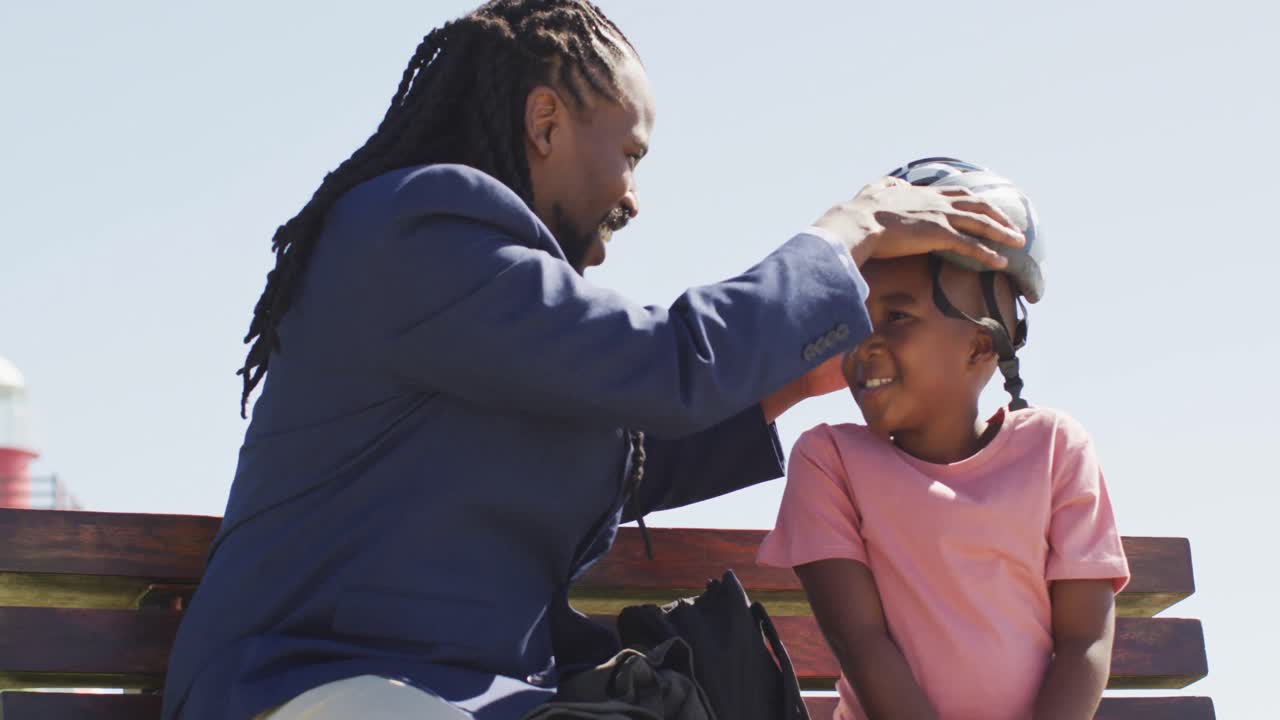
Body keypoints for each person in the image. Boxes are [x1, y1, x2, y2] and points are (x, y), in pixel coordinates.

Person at [160, 3, 1025, 718]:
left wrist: (803, 372)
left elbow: (617, 454)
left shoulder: (482, 308)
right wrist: (851, 232)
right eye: (631, 154)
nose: (635, 196)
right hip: (308, 691)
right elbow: (663, 367)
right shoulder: (419, 226)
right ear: (545, 123)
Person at [758, 158, 1131, 720]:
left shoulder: (1055, 449)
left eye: (898, 317)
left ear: (982, 348)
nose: (867, 343)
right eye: (857, 321)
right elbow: (859, 640)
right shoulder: (830, 460)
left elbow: (1084, 641)